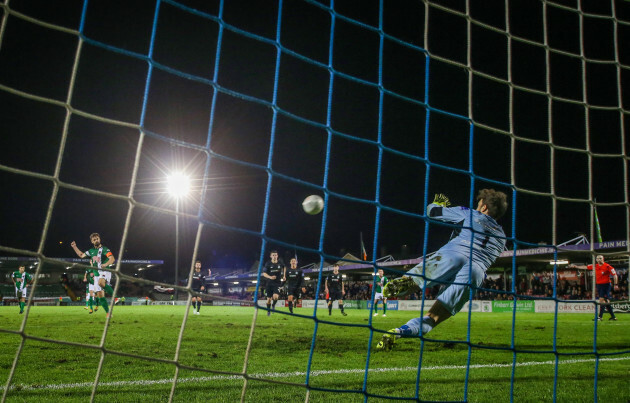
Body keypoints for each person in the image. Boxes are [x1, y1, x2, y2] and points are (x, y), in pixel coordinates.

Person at [377, 190, 507, 351]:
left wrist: (437, 204)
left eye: (479, 203)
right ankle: (398, 332)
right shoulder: (502, 236)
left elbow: (432, 213)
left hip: (454, 254)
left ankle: (411, 281)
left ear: (484, 206)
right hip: (476, 272)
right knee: (433, 318)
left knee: (419, 278)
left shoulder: (469, 213)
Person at [71, 233, 116, 317]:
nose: (96, 240)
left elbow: (112, 259)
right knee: (100, 295)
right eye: (94, 239)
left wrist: (106, 264)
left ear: (100, 239)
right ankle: (108, 313)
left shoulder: (105, 249)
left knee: (101, 283)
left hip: (104, 271)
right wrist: (74, 247)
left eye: (97, 238)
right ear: (92, 241)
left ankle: (116, 297)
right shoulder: (91, 251)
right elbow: (81, 255)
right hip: (96, 275)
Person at [569, 255, 619, 321]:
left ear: (603, 259)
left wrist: (615, 284)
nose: (599, 260)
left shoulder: (608, 266)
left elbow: (615, 275)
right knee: (606, 301)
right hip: (599, 285)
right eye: (597, 258)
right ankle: (613, 316)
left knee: (602, 300)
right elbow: (585, 267)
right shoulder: (595, 266)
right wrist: (576, 266)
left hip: (606, 285)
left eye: (600, 258)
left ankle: (599, 317)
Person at [262, 250, 285, 316]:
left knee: (275, 297)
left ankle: (273, 305)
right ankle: (268, 311)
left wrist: (284, 275)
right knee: (269, 299)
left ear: (277, 256)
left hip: (277, 283)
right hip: (269, 283)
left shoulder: (280, 263)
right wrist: (270, 277)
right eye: (273, 255)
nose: (274, 256)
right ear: (271, 256)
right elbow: (264, 273)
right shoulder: (268, 263)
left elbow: (284, 267)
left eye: (275, 255)